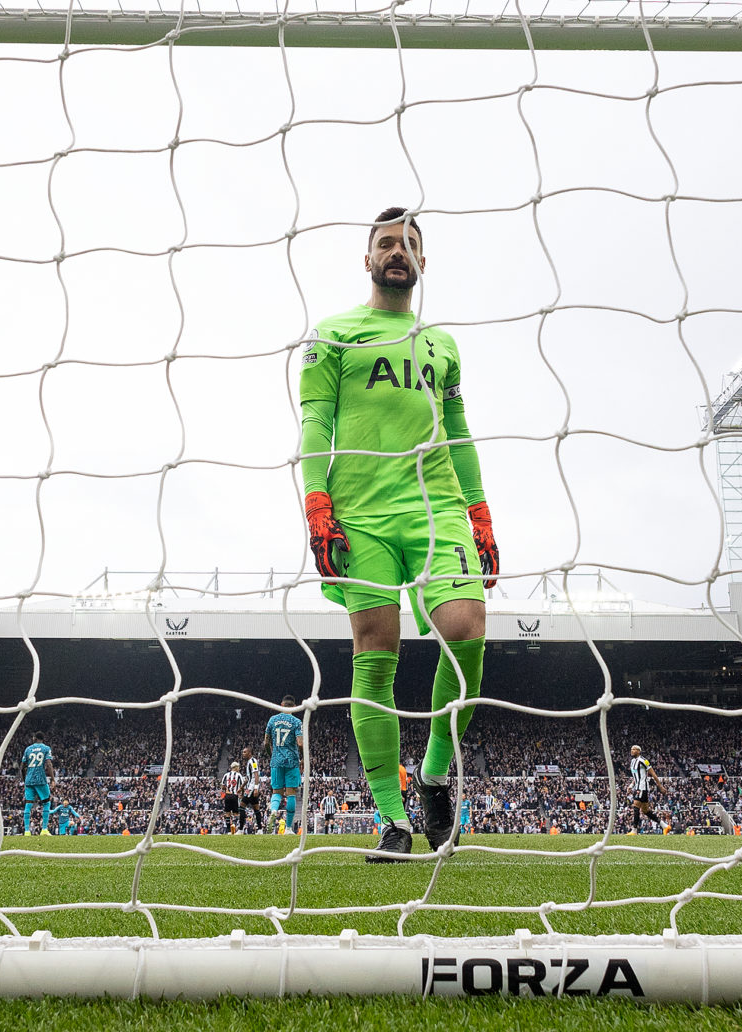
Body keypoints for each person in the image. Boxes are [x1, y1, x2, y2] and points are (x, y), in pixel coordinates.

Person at [299, 206, 498, 861]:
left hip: (436, 506)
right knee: (374, 651)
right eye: (386, 242)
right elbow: (315, 422)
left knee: (466, 626)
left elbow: (460, 435)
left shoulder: (442, 345)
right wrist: (317, 503)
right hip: (361, 512)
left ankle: (436, 774)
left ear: (421, 261)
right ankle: (391, 818)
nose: (397, 251)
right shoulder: (333, 334)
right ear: (368, 259)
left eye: (409, 243)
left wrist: (480, 513)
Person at [264, 698, 305, 832]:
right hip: (291, 761)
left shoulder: (272, 720)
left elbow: (266, 742)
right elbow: (300, 743)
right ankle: (288, 828)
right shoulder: (296, 722)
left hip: (276, 760)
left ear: (281, 705)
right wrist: (302, 758)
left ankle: (274, 811)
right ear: (294, 706)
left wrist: (272, 755)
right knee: (291, 793)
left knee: (277, 792)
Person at [21, 733, 54, 835]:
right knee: (46, 802)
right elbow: (48, 763)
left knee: (28, 804)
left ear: (34, 738)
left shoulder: (28, 749)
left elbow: (22, 766)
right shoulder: (46, 748)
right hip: (40, 779)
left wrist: (24, 780)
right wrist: (52, 779)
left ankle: (26, 831)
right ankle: (44, 829)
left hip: (29, 780)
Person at [629, 745, 662, 833]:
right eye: (631, 749)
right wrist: (631, 785)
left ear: (639, 751)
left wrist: (660, 787)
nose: (632, 751)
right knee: (645, 810)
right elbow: (636, 776)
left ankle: (634, 830)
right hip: (637, 787)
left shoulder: (644, 761)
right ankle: (664, 825)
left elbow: (653, 774)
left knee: (635, 806)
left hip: (642, 788)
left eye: (634, 749)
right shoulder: (632, 761)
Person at [240, 747, 263, 833]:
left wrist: (256, 788)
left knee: (241, 806)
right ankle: (260, 829)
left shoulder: (253, 761)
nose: (243, 754)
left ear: (249, 753)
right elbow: (248, 778)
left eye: (245, 752)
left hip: (251, 788)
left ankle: (240, 829)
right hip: (250, 787)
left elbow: (256, 775)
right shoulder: (249, 762)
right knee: (256, 808)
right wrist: (241, 787)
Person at [221, 762, 245, 833]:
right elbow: (242, 785)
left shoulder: (226, 775)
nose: (239, 769)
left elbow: (222, 786)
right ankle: (234, 826)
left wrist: (226, 790)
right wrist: (242, 793)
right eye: (238, 767)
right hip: (234, 795)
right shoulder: (238, 775)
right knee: (236, 813)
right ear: (236, 767)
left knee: (227, 813)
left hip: (227, 795)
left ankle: (228, 830)